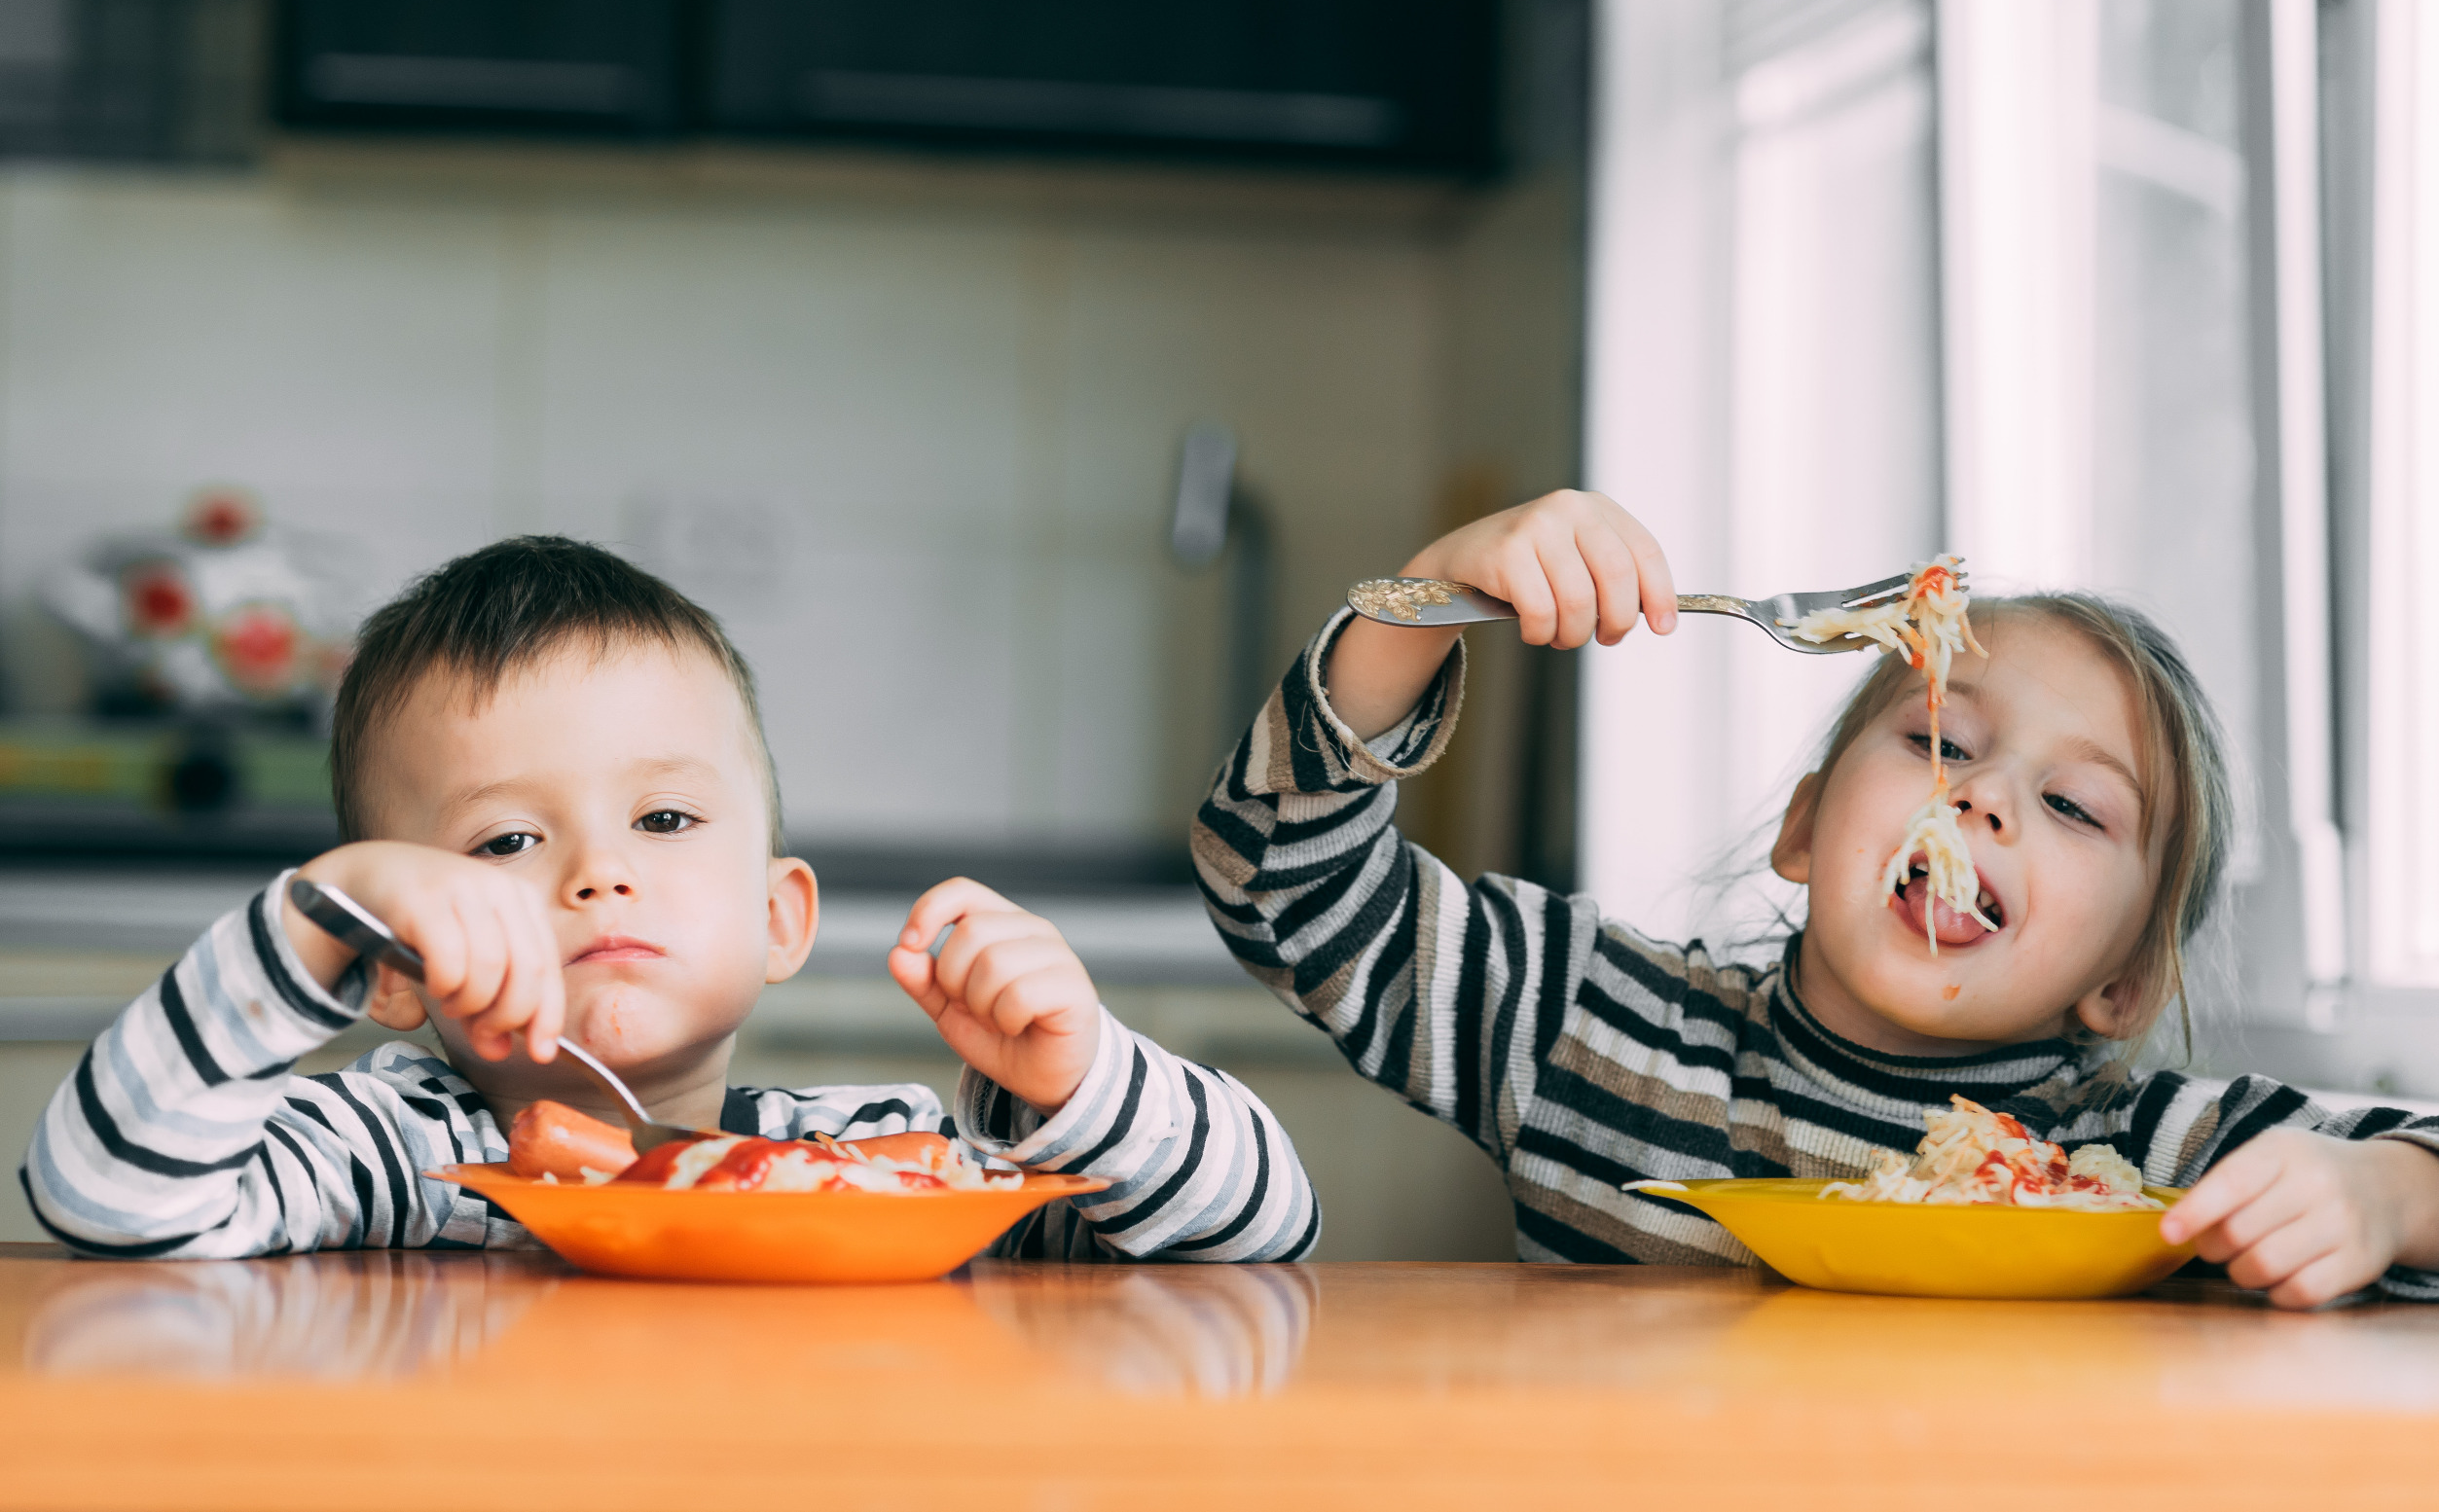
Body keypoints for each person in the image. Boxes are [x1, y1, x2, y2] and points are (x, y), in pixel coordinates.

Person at [1193, 489, 2439, 1308]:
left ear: (2125, 981)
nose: (1983, 799)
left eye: (2072, 806)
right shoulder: (1591, 1028)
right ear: (1803, 827)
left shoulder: (2154, 1163)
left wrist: (2385, 1195)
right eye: (1938, 740)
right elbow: (1282, 877)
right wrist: (1426, 598)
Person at [27, 537, 1318, 1262]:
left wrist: (1080, 1079)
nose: (600, 873)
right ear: (396, 970)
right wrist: (306, 927)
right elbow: (99, 1194)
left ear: (780, 918)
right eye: (508, 839)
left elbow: (1265, 1230)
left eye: (663, 819)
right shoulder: (393, 1150)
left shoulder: (874, 1157)